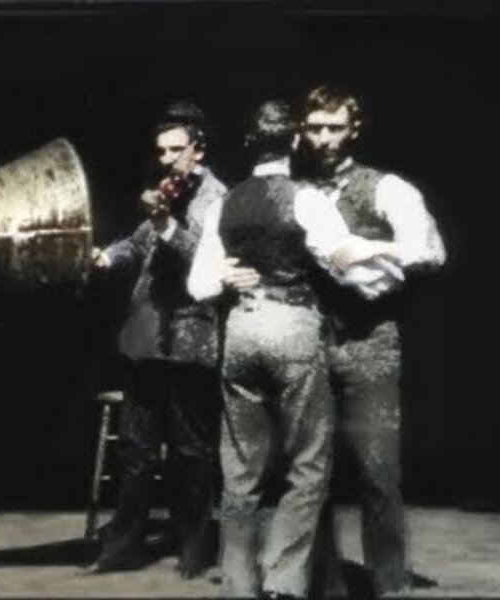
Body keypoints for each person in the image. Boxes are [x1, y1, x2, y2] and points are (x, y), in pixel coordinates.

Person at [291, 84, 447, 595]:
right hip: (307, 344)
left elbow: (430, 251)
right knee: (309, 476)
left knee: (378, 472)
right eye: (316, 127)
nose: (324, 138)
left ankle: (389, 583)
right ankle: (324, 585)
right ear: (302, 130)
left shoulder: (386, 188)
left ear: (353, 130)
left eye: (335, 127)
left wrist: (368, 247)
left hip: (370, 344)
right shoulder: (289, 189)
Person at [188, 100, 334, 600]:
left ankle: (238, 585)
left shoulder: (223, 204)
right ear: (295, 141)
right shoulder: (308, 198)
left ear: (250, 144)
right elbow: (340, 260)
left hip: (243, 328)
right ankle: (284, 582)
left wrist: (228, 276)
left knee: (240, 468)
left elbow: (199, 286)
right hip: (292, 325)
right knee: (307, 462)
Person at [90, 101, 227, 578]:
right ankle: (124, 546)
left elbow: (207, 261)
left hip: (190, 337)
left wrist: (167, 223)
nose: (166, 159)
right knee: (135, 448)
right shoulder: (166, 190)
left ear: (198, 149)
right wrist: (107, 257)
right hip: (147, 336)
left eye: (176, 149)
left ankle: (195, 546)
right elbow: (137, 243)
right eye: (161, 150)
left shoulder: (217, 198)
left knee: (191, 450)